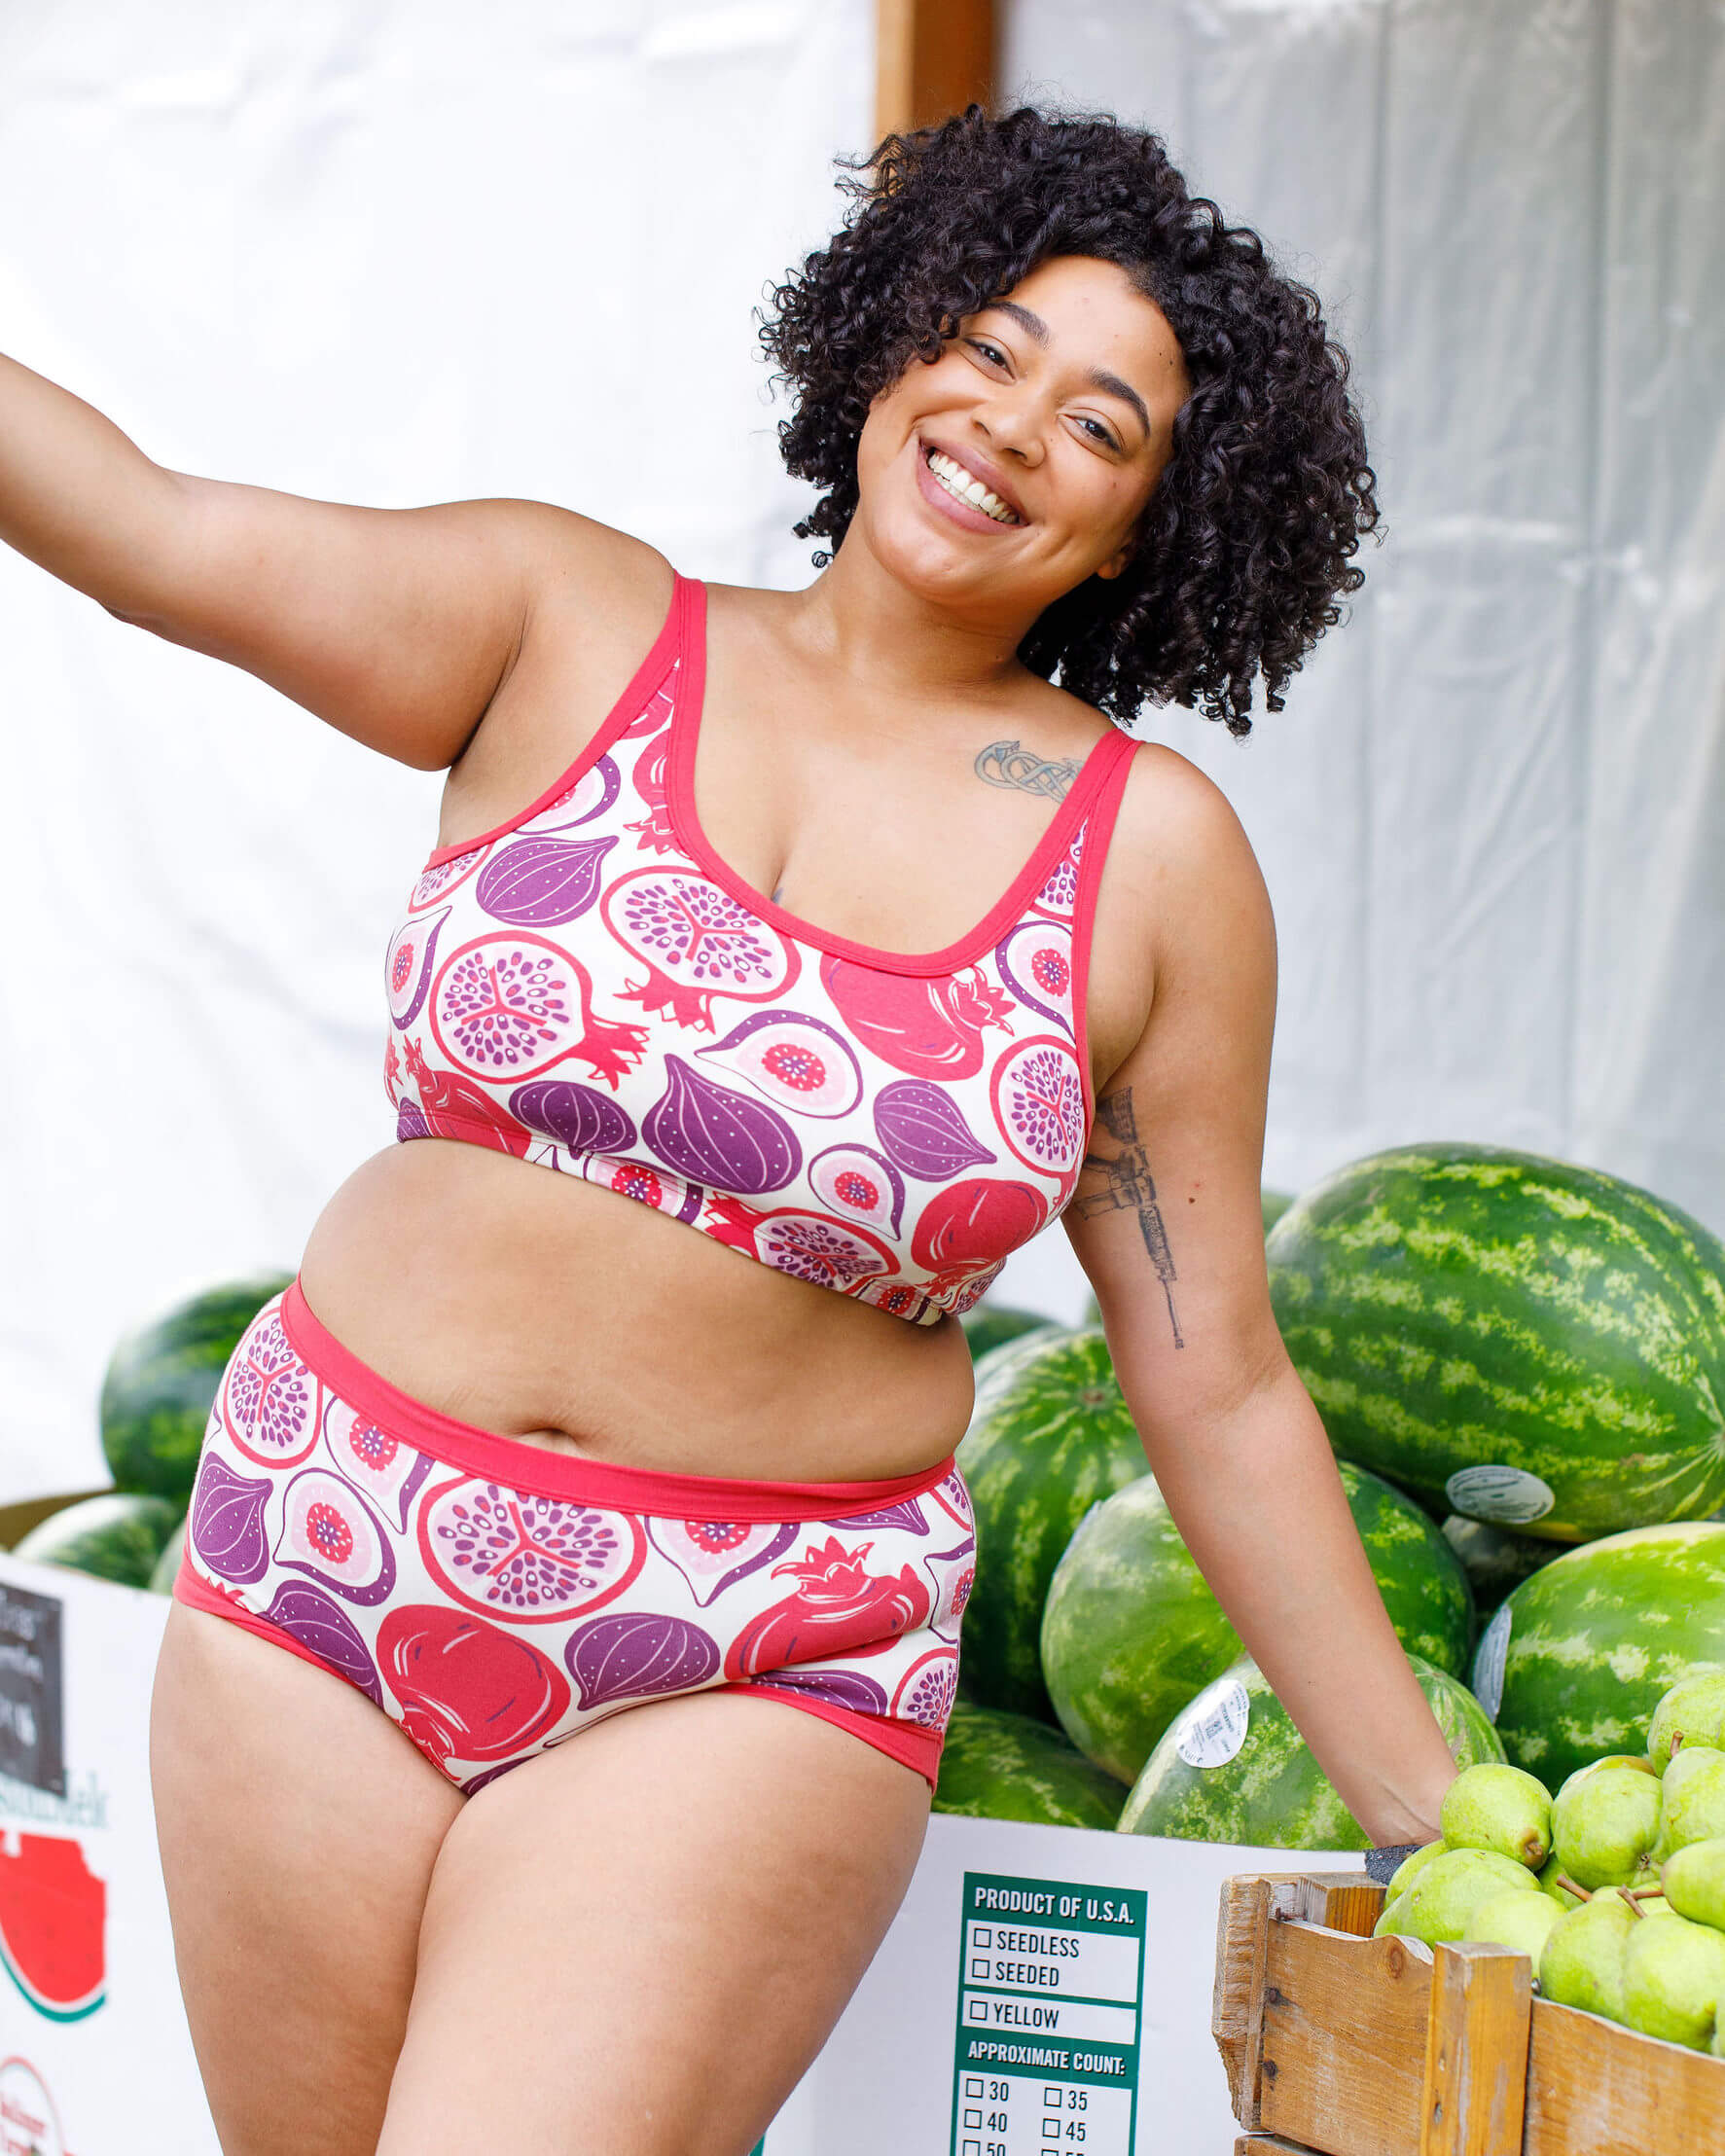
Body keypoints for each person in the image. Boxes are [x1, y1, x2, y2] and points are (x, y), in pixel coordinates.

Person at [2, 101, 1457, 2155]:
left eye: (1101, 423)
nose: (1010, 422)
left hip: (746, 1648)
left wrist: (1440, 1815)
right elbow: (153, 533)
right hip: (318, 1549)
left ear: (1148, 527)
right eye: (988, 339)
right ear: (890, 340)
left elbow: (1210, 1385)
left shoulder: (1149, 866)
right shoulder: (557, 620)